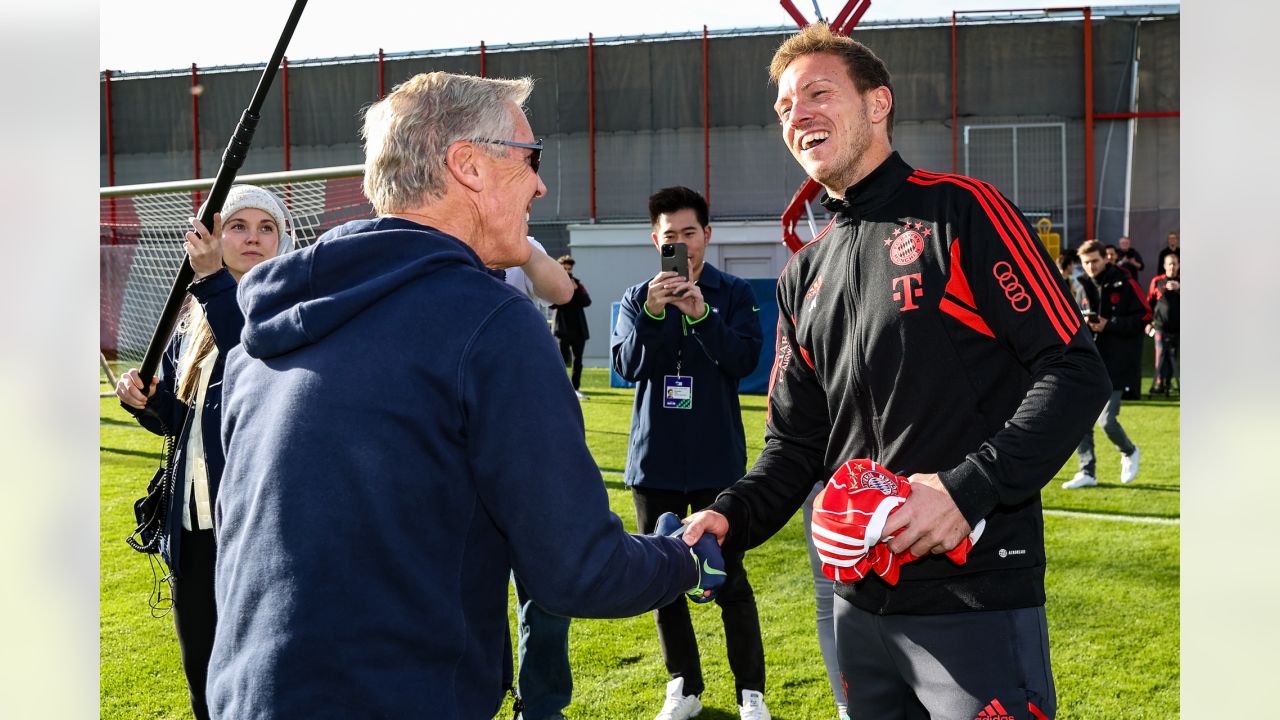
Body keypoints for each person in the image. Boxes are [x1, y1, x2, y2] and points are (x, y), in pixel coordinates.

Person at [206, 72, 725, 720]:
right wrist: (682, 557)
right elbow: (578, 567)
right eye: (531, 159)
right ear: (469, 166)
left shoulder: (263, 338)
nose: (539, 183)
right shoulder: (491, 325)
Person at [677, 24, 1110, 719]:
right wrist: (727, 518)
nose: (799, 115)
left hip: (973, 602)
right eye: (786, 107)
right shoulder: (803, 272)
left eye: (819, 93)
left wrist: (968, 490)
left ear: (878, 104)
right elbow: (795, 448)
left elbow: (1073, 369)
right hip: (856, 612)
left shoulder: (962, 211)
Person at [114, 184, 298, 720]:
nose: (253, 238)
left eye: (267, 228)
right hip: (193, 526)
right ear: (216, 234)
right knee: (203, 671)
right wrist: (145, 403)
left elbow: (255, 362)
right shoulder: (193, 319)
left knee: (263, 674)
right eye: (238, 226)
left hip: (257, 525)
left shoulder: (289, 304)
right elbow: (187, 421)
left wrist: (215, 281)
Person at [611, 186, 768, 720]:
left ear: (707, 235)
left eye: (689, 233)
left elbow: (744, 361)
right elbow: (628, 367)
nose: (680, 243)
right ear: (655, 240)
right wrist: (656, 314)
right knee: (664, 582)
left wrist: (702, 316)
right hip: (654, 464)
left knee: (731, 583)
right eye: (669, 235)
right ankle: (685, 686)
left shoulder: (735, 292)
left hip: (716, 465)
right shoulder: (638, 298)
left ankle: (751, 692)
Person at [502, 236, 577, 720]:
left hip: (525, 426)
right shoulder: (430, 233)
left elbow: (563, 292)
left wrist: (520, 247)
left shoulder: (517, 240)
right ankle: (481, 694)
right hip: (454, 432)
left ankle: (542, 706)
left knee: (546, 589)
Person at [1062, 239, 1150, 489]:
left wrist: (1108, 325)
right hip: (1089, 362)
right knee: (1080, 418)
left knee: (1107, 420)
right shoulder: (1081, 286)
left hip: (1117, 362)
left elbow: (1144, 315)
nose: (1090, 266)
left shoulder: (1125, 282)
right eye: (1086, 262)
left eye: (1095, 261)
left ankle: (1129, 451)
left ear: (1106, 259)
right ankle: (1086, 471)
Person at [552, 254, 592, 400]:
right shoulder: (554, 282)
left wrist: (575, 290)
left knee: (578, 360)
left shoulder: (578, 284)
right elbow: (552, 304)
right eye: (565, 268)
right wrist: (562, 290)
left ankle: (575, 389)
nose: (567, 271)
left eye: (569, 268)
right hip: (562, 329)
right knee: (561, 360)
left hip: (578, 329)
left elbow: (587, 302)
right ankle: (561, 388)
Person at [1146, 252, 1180, 396]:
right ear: (1164, 265)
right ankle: (1158, 383)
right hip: (1160, 326)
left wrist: (1179, 288)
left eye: (1175, 264)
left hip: (1178, 327)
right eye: (1169, 264)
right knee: (1160, 355)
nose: (1172, 266)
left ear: (1178, 266)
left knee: (1174, 356)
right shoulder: (1157, 281)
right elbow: (1148, 303)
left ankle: (1169, 382)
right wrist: (1148, 322)